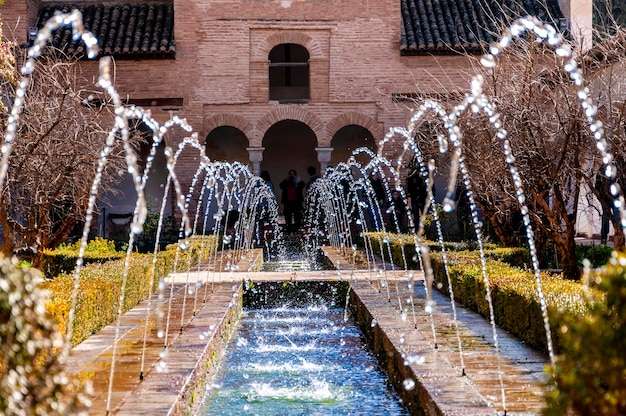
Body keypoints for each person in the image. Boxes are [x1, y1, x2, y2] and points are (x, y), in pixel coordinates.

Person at [279, 169, 305, 233]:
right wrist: (285, 180)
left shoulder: (298, 181)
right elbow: (281, 186)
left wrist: (298, 180)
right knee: (288, 216)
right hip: (288, 202)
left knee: (297, 216)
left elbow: (303, 185)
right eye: (290, 174)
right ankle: (288, 228)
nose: (292, 175)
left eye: (293, 174)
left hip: (296, 202)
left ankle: (297, 228)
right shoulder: (287, 182)